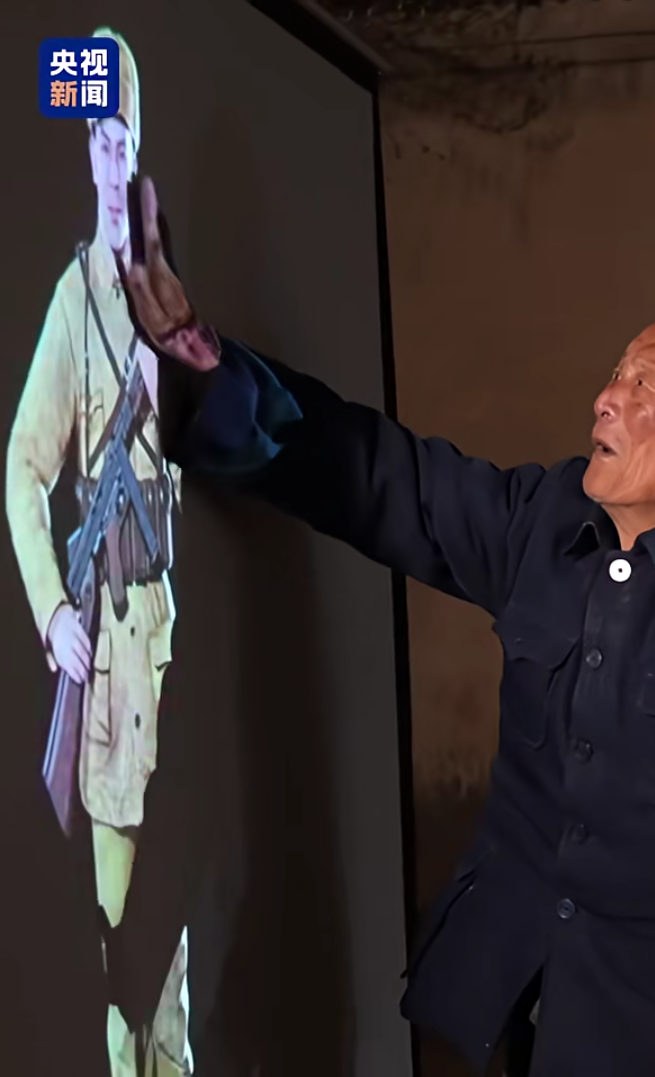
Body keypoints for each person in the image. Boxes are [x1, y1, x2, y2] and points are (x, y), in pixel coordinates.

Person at [120, 177, 655, 1077]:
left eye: (646, 385)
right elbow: (380, 476)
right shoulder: (545, 519)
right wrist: (202, 361)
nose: (605, 397)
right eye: (616, 371)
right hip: (513, 1003)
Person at [5, 35, 192, 1077]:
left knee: (177, 965)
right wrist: (51, 611)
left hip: (171, 646)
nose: (113, 157)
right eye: (98, 138)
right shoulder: (75, 300)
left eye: (125, 138)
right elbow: (23, 469)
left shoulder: (166, 291)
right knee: (119, 948)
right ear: (86, 152)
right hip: (113, 664)